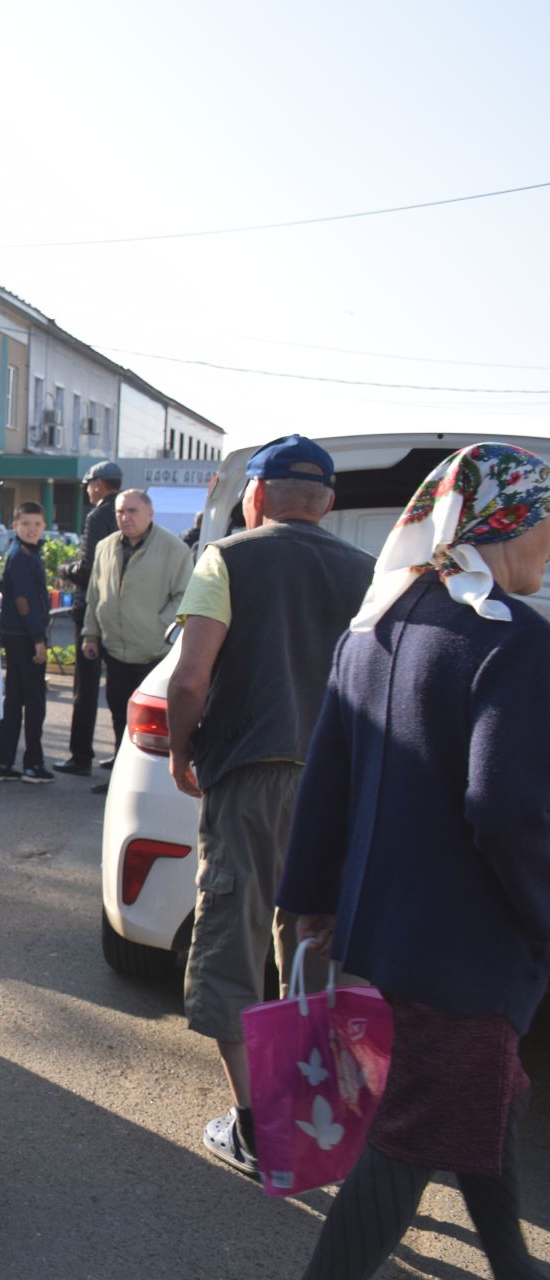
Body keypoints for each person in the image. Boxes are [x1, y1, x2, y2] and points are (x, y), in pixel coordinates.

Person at [280, 442, 550, 1280]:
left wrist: (312, 901)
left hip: (375, 937)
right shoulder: (516, 641)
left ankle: (510, 1258)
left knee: (481, 1093)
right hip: (461, 952)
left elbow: (327, 781)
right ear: (512, 520)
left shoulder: (381, 623)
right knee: (409, 1137)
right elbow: (506, 809)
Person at [163, 434, 374, 1179]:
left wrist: (184, 752)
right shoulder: (369, 573)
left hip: (251, 775)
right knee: (317, 947)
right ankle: (316, 1118)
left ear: (255, 496)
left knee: (232, 942)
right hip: (336, 786)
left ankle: (256, 1127)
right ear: (327, 505)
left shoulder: (228, 556)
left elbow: (189, 680)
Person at [80, 488, 192, 796]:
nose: (125, 518)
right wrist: (90, 633)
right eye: (120, 512)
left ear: (150, 513)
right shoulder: (105, 547)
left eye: (132, 511)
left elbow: (185, 596)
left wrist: (159, 627)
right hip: (115, 648)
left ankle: (153, 782)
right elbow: (94, 594)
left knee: (153, 724)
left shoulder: (174, 549)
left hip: (153, 652)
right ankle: (120, 776)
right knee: (119, 714)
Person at [57, 460, 122, 776]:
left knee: (85, 687)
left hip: (90, 613)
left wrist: (64, 570)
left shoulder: (98, 516)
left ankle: (80, 755)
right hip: (118, 610)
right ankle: (121, 755)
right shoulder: (126, 515)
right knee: (119, 687)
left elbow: (88, 569)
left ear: (98, 484)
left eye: (88, 485)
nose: (87, 491)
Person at [0, 501, 52, 783]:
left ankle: (2, 763)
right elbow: (24, 602)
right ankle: (32, 764)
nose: (31, 529)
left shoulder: (23, 553)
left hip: (16, 634)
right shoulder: (23, 556)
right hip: (25, 637)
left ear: (44, 527)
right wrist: (38, 639)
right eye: (25, 523)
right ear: (15, 525)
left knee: (14, 700)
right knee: (34, 701)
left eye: (37, 524)